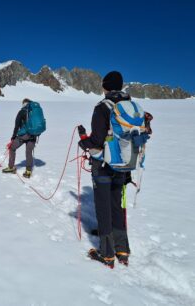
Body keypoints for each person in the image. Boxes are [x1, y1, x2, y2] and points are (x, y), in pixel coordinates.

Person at [78, 71, 131, 268]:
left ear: (106, 86)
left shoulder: (102, 107)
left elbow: (97, 141)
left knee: (103, 207)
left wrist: (84, 141)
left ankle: (107, 254)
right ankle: (122, 249)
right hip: (124, 166)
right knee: (117, 206)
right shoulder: (130, 105)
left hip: (104, 166)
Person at [2, 98, 37, 178]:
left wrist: (13, 137)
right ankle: (28, 171)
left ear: (24, 104)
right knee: (29, 152)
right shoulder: (35, 112)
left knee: (12, 148)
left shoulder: (22, 112)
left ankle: (11, 167)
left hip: (24, 135)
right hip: (34, 135)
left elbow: (17, 126)